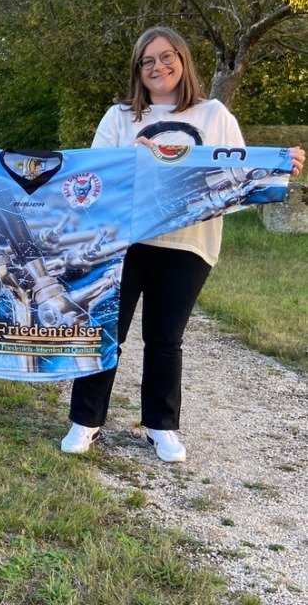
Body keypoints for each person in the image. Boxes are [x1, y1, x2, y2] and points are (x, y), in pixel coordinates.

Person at [62, 26, 304, 462]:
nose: (159, 66)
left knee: (165, 338)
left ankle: (161, 426)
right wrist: (125, 160)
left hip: (189, 245)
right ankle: (86, 420)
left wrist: (281, 166)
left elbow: (241, 178)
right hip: (123, 242)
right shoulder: (119, 117)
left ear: (183, 59)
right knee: (104, 333)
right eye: (147, 60)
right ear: (138, 70)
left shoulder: (214, 116)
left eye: (167, 56)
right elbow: (91, 180)